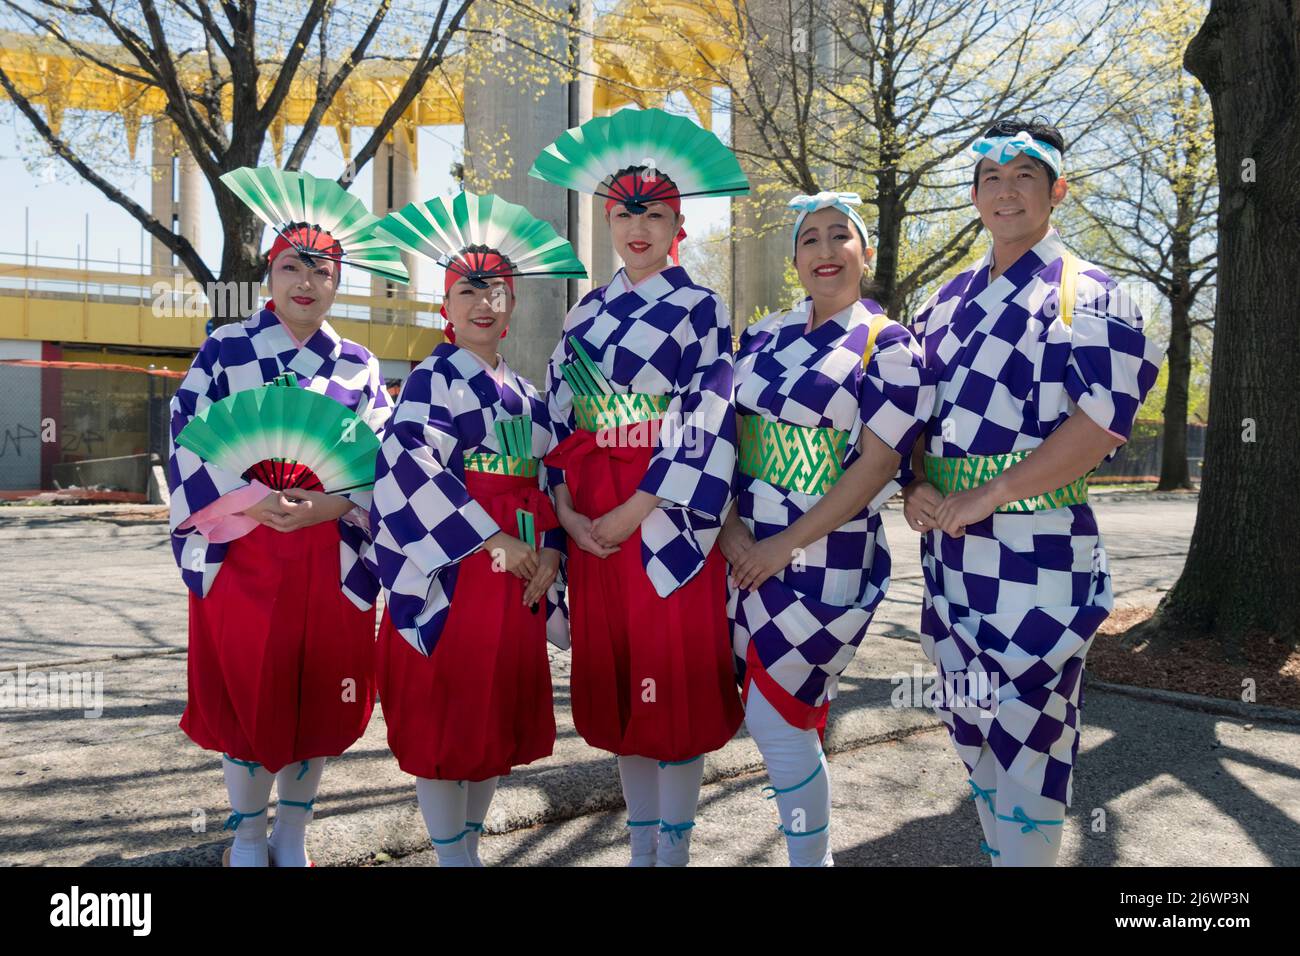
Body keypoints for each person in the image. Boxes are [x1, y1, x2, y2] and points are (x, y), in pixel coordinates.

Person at [901, 118, 1161, 866]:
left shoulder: (1094, 293)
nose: (1005, 191)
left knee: (1031, 733)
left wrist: (996, 490)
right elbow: (915, 411)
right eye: (991, 177)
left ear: (1058, 190)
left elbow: (1102, 423)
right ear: (975, 192)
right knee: (970, 722)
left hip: (1039, 552)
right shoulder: (944, 299)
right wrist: (916, 480)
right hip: (951, 553)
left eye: (1024, 177)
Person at [169, 169, 407, 867]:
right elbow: (188, 436)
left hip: (328, 553)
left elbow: (382, 462)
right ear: (268, 276)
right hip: (243, 547)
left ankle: (293, 831)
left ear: (339, 282)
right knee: (248, 693)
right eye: (290, 266)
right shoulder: (225, 349)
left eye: (322, 269)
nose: (306, 281)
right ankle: (246, 832)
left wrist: (336, 503)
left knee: (317, 693)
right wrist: (250, 499)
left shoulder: (361, 367)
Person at [531, 107, 747, 866]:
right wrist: (563, 507)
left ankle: (676, 850)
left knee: (674, 689)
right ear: (607, 219)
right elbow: (557, 417)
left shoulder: (701, 307)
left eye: (654, 213)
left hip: (667, 518)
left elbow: (706, 415)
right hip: (592, 517)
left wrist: (640, 505)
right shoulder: (585, 311)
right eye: (625, 212)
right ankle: (641, 845)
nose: (638, 228)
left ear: (677, 223)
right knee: (622, 684)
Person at [367, 191, 584, 866]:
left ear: (513, 304)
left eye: (497, 290)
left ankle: (467, 848)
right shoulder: (431, 381)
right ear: (447, 304)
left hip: (517, 577)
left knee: (494, 719)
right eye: (469, 290)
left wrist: (550, 551)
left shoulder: (528, 395)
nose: (484, 303)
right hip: (455, 569)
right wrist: (492, 539)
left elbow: (550, 478)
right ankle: (451, 857)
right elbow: (408, 467)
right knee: (444, 713)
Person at [723, 192, 933, 866]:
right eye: (808, 239)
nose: (823, 250)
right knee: (775, 711)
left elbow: (875, 467)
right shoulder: (762, 336)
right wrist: (730, 528)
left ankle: (813, 862)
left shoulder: (890, 344)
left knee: (777, 714)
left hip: (824, 555)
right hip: (744, 549)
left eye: (838, 236)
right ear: (793, 258)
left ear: (864, 253)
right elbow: (725, 438)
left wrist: (784, 544)